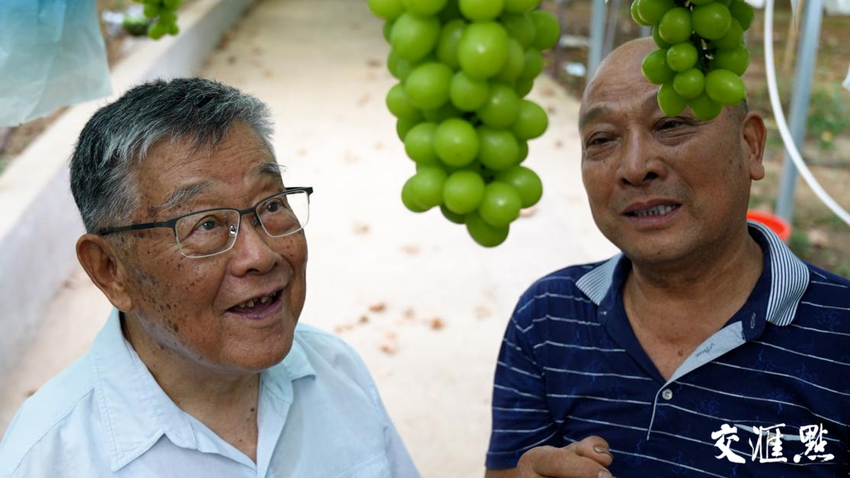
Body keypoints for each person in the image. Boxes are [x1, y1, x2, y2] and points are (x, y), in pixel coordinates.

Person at [0, 78, 419, 477]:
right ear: (111, 270)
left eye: (271, 205)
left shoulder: (337, 372)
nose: (260, 255)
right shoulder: (48, 460)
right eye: (205, 225)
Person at [485, 38, 850, 477]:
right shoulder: (547, 317)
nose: (636, 166)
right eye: (602, 139)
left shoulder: (840, 331)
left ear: (751, 145)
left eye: (671, 124)